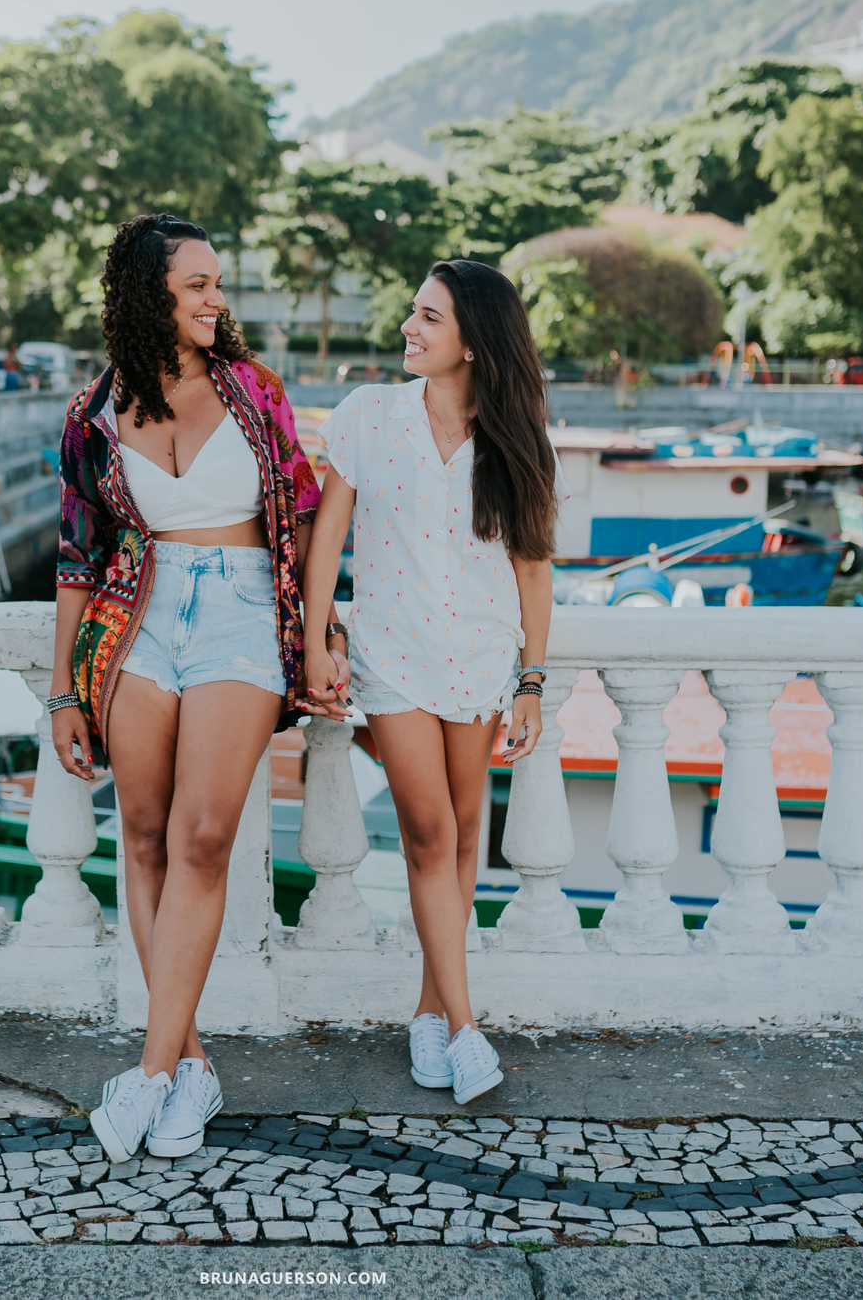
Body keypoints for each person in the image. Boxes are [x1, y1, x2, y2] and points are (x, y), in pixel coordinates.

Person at [46, 213, 346, 1163]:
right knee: (142, 833)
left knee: (202, 834)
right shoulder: (92, 414)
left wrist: (318, 635)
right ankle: (190, 1064)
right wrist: (61, 691)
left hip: (241, 614)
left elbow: (303, 514)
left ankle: (144, 1070)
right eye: (199, 285)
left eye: (220, 283)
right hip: (137, 617)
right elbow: (76, 557)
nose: (220, 299)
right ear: (150, 296)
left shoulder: (254, 392)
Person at [302, 259, 569, 1105]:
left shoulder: (515, 437)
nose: (409, 329)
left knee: (462, 839)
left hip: (481, 657)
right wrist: (316, 637)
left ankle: (425, 1011)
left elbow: (533, 572)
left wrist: (530, 679)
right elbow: (326, 539)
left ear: (474, 342)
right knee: (425, 833)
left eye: (428, 317)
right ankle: (463, 1026)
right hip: (391, 655)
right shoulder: (367, 417)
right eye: (413, 312)